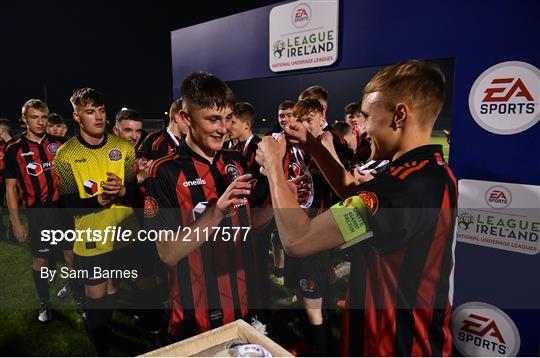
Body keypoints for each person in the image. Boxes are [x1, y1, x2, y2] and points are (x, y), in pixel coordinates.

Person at [256, 60, 457, 356]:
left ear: (400, 115)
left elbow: (298, 240)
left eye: (365, 116)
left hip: (391, 347)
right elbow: (356, 196)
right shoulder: (427, 172)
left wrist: (273, 165)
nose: (360, 129)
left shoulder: (400, 190)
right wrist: (312, 146)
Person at [145, 71, 260, 338]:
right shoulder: (164, 172)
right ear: (186, 118)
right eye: (213, 119)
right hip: (194, 315)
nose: (223, 128)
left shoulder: (236, 160)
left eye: (228, 119)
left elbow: (249, 225)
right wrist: (217, 211)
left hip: (243, 305)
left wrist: (280, 201)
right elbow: (167, 253)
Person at [54, 88, 140, 355]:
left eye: (101, 110)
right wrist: (97, 202)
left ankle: (152, 331)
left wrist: (123, 191)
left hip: (127, 233)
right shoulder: (65, 155)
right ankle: (103, 347)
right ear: (77, 116)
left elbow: (136, 193)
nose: (98, 117)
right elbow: (67, 204)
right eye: (90, 112)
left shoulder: (123, 148)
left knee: (130, 287)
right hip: (92, 239)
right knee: (97, 297)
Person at [4, 99, 74, 322]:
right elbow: (11, 188)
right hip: (38, 213)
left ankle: (78, 294)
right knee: (40, 262)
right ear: (24, 120)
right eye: (34, 117)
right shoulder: (14, 150)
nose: (40, 122)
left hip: (62, 209)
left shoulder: (60, 143)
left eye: (44, 117)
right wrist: (16, 223)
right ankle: (45, 303)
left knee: (72, 256)